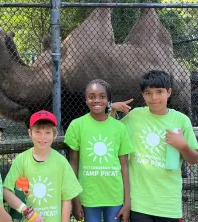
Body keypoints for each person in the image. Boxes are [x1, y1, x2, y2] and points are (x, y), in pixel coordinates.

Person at [111, 70, 198, 222]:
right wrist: (111, 110)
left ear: (169, 92)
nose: (154, 97)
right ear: (143, 95)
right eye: (148, 93)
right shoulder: (135, 116)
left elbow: (193, 159)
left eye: (159, 92)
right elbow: (111, 133)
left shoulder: (181, 120)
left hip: (168, 204)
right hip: (139, 203)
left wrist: (182, 145)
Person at [64, 79, 134, 222]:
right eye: (91, 96)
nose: (97, 100)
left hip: (114, 196)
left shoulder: (119, 127)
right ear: (86, 99)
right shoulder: (77, 125)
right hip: (88, 196)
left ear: (108, 100)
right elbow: (73, 164)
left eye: (102, 96)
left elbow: (124, 166)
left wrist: (127, 202)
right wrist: (75, 201)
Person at [3, 110, 82, 222]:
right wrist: (27, 212)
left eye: (48, 132)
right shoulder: (21, 160)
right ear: (30, 133)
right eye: (38, 132)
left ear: (55, 135)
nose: (42, 137)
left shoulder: (61, 162)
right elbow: (6, 191)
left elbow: (67, 198)